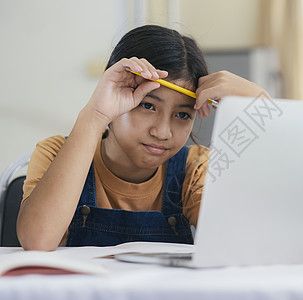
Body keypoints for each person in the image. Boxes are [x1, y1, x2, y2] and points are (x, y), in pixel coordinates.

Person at [16, 25, 267, 251]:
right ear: (113, 94)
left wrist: (264, 109)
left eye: (182, 114)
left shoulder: (194, 169)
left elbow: (251, 242)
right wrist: (94, 116)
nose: (162, 132)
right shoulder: (56, 151)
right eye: (147, 106)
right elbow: (38, 240)